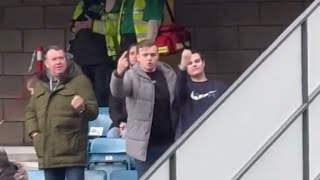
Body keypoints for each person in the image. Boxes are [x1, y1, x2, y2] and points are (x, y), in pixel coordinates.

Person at [25, 45, 98, 180]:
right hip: (48, 151)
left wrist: (82, 107)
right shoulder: (40, 84)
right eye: (54, 59)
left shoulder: (80, 81)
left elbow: (93, 113)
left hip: (73, 152)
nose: (58, 62)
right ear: (47, 63)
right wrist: (35, 134)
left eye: (61, 58)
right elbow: (30, 112)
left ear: (66, 60)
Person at [110, 39, 177, 178]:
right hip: (144, 144)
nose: (149, 58)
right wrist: (118, 74)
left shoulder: (168, 73)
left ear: (157, 56)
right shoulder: (131, 75)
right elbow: (118, 91)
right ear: (138, 57)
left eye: (153, 55)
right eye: (145, 55)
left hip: (169, 140)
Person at [69, 0, 120, 107]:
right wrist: (75, 27)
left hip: (102, 58)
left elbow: (116, 27)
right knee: (83, 96)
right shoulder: (83, 3)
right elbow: (74, 24)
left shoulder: (114, 2)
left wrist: (92, 24)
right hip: (80, 58)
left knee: (102, 96)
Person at [175, 49, 227, 139]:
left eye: (197, 61)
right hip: (192, 138)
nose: (194, 64)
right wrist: (182, 68)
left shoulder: (219, 86)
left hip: (217, 135)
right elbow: (178, 88)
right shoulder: (184, 88)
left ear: (203, 63)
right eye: (189, 63)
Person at [107, 44, 137, 138]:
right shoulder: (119, 79)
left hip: (139, 125)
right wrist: (121, 122)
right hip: (120, 123)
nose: (135, 56)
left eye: (137, 53)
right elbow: (113, 107)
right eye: (132, 53)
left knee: (126, 134)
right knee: (112, 134)